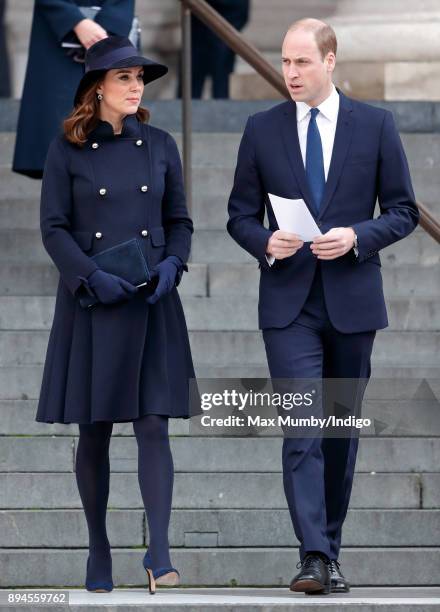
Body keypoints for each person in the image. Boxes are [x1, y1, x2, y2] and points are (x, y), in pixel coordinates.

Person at [227, 18, 419, 595]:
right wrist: (265, 241)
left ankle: (329, 552)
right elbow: (239, 215)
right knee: (303, 427)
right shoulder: (261, 129)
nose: (290, 73)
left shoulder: (376, 126)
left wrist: (358, 236)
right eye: (285, 62)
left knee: (338, 432)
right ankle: (312, 555)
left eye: (302, 62)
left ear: (330, 61)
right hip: (289, 305)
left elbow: (404, 210)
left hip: (352, 301)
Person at [36, 35, 195, 594]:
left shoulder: (161, 143)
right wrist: (89, 277)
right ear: (97, 86)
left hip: (152, 299)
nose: (135, 87)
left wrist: (174, 265)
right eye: (123, 77)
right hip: (94, 302)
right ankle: (99, 548)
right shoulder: (66, 149)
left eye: (139, 78)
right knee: (95, 430)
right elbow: (53, 227)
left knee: (154, 424)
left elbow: (180, 219)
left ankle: (160, 551)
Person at [13, 0, 134, 178]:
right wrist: (75, 21)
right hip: (57, 33)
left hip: (108, 33)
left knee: (110, 153)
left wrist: (106, 24)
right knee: (59, 152)